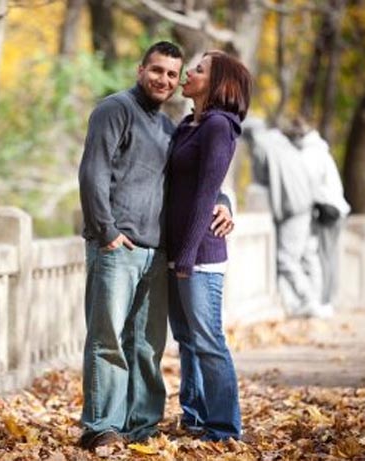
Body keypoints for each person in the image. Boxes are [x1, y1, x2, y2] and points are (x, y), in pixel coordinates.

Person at [78, 41, 233, 450]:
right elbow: (92, 172)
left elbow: (199, 177)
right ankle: (102, 426)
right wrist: (106, 229)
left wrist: (224, 201)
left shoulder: (172, 127)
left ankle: (142, 424)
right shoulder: (115, 110)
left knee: (147, 345)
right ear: (139, 69)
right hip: (117, 247)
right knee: (108, 338)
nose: (164, 80)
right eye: (157, 70)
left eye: (171, 74)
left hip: (158, 251)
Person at [165, 50, 252, 442]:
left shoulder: (219, 126)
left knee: (208, 340)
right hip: (178, 252)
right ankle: (194, 416)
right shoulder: (188, 126)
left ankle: (224, 427)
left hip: (199, 256)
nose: (188, 74)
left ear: (216, 84)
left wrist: (187, 255)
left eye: (197, 70)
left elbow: (205, 194)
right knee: (186, 340)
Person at [243, 118, 323, 318]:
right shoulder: (280, 140)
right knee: (300, 256)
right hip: (304, 203)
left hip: (291, 207)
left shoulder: (260, 146)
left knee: (286, 259)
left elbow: (259, 182)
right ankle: (295, 304)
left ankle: (309, 300)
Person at [290, 118, 350, 315]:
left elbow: (307, 186)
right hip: (336, 210)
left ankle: (324, 302)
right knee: (329, 256)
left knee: (324, 256)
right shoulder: (319, 150)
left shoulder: (309, 153)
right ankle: (327, 300)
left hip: (328, 210)